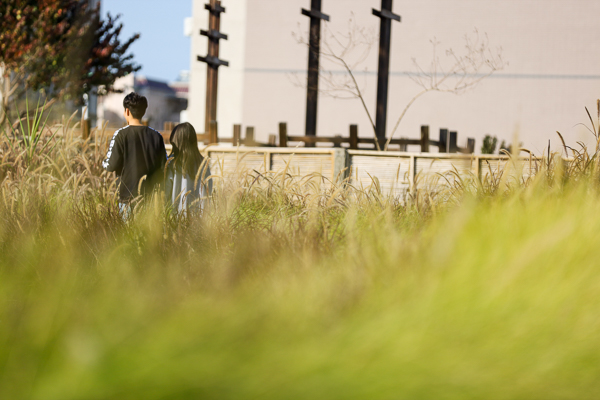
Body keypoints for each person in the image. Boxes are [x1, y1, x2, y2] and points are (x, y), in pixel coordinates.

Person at [102, 92, 167, 216]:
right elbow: (164, 166)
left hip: (127, 198)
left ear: (127, 111)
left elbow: (110, 165)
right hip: (150, 199)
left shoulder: (120, 135)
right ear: (143, 112)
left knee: (127, 234)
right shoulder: (156, 136)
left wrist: (103, 162)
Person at [165, 122, 211, 213]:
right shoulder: (203, 164)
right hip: (199, 220)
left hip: (174, 219)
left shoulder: (171, 164)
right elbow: (208, 191)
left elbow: (166, 192)